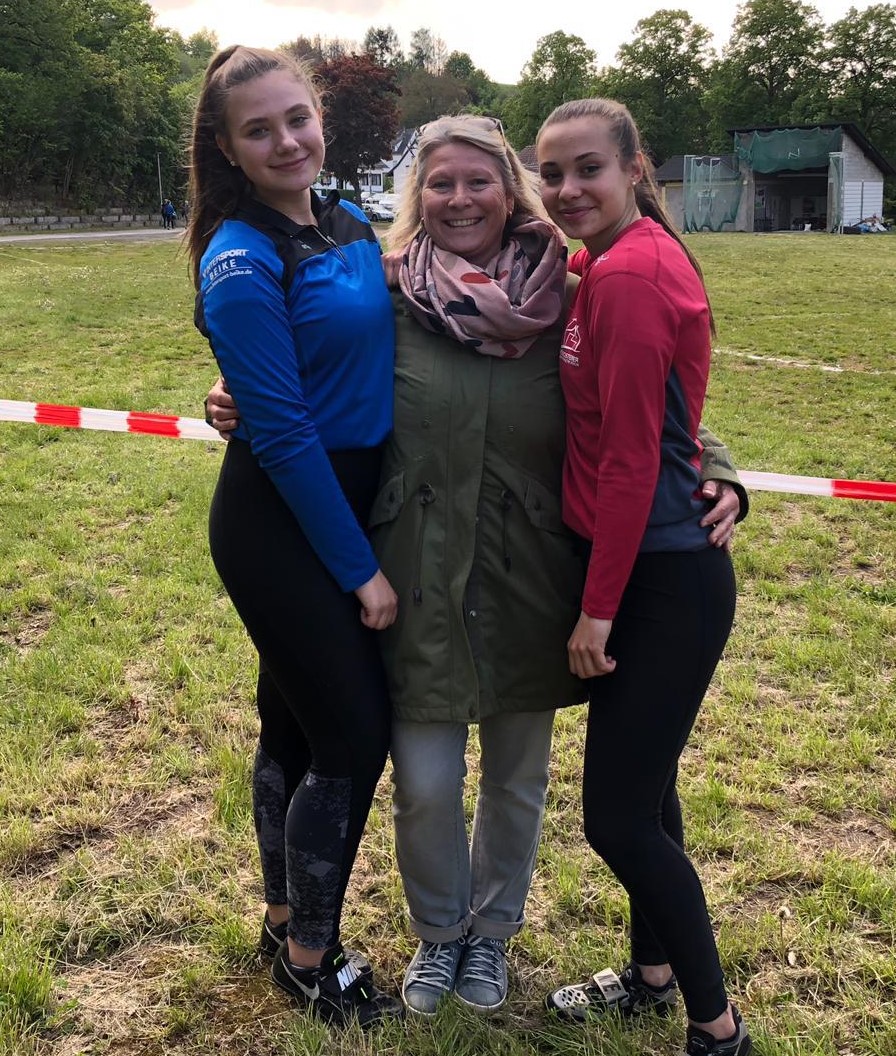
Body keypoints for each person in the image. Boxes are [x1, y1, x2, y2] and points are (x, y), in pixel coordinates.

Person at [205, 113, 747, 1019]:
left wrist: (720, 467)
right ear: (419, 196)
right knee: (423, 785)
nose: (460, 200)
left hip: (532, 578)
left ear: (510, 189)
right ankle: (440, 931)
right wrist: (231, 397)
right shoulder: (386, 295)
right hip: (413, 575)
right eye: (441, 184)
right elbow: (301, 368)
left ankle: (491, 934)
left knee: (516, 781)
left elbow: (649, 395)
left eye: (479, 181)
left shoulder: (566, 291)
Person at [187, 44, 404, 1029]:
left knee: (292, 724)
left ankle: (282, 921)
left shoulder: (348, 221)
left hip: (351, 497)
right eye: (258, 129)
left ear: (320, 117)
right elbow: (278, 431)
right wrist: (359, 571)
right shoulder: (238, 256)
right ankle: (312, 961)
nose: (285, 141)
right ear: (227, 149)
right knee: (353, 735)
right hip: (281, 516)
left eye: (296, 118)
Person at [535, 98, 752, 1055]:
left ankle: (718, 1029)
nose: (567, 188)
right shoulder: (603, 262)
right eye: (552, 173)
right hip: (651, 565)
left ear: (634, 168)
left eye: (588, 168)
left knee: (618, 819)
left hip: (660, 578)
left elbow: (632, 462)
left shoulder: (627, 275)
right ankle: (653, 976)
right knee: (649, 793)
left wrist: (598, 610)